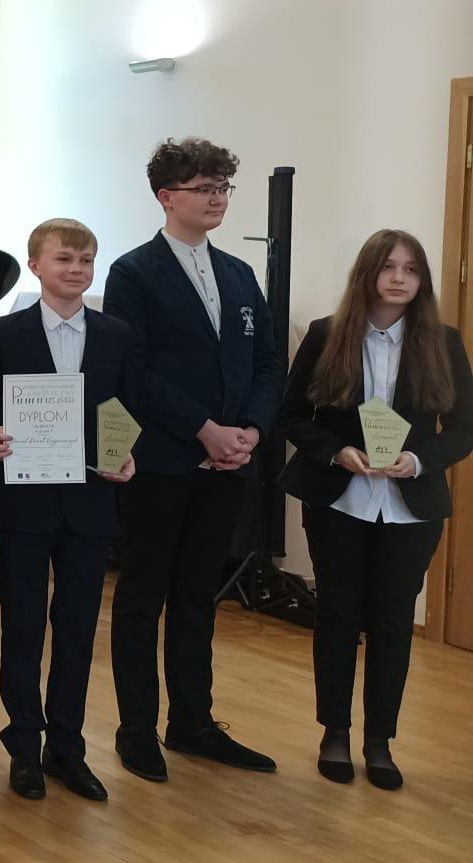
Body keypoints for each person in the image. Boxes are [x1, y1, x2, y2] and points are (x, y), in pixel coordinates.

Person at [102, 138, 283, 782]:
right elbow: (134, 370)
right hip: (163, 460)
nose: (217, 199)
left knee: (198, 597)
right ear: (166, 196)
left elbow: (266, 362)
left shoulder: (238, 273)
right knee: (143, 595)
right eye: (204, 188)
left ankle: (193, 722)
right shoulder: (133, 272)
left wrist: (250, 431)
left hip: (229, 462)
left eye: (223, 188)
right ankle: (136, 729)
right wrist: (204, 429)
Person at [277, 230, 473, 790]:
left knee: (393, 622)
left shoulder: (444, 341)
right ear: (368, 272)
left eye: (411, 269)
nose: (399, 278)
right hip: (339, 499)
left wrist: (419, 459)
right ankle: (335, 733)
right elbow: (291, 416)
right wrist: (335, 451)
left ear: (422, 280)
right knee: (337, 616)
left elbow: (464, 428)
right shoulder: (327, 335)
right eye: (389, 267)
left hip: (411, 507)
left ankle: (379, 741)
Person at [0, 219, 139, 803]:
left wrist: (125, 454)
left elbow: (126, 409)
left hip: (90, 503)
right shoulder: (7, 332)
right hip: (25, 503)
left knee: (77, 632)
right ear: (36, 265)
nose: (76, 269)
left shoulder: (116, 333)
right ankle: (23, 746)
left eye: (86, 260)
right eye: (64, 258)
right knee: (21, 629)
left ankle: (67, 748)